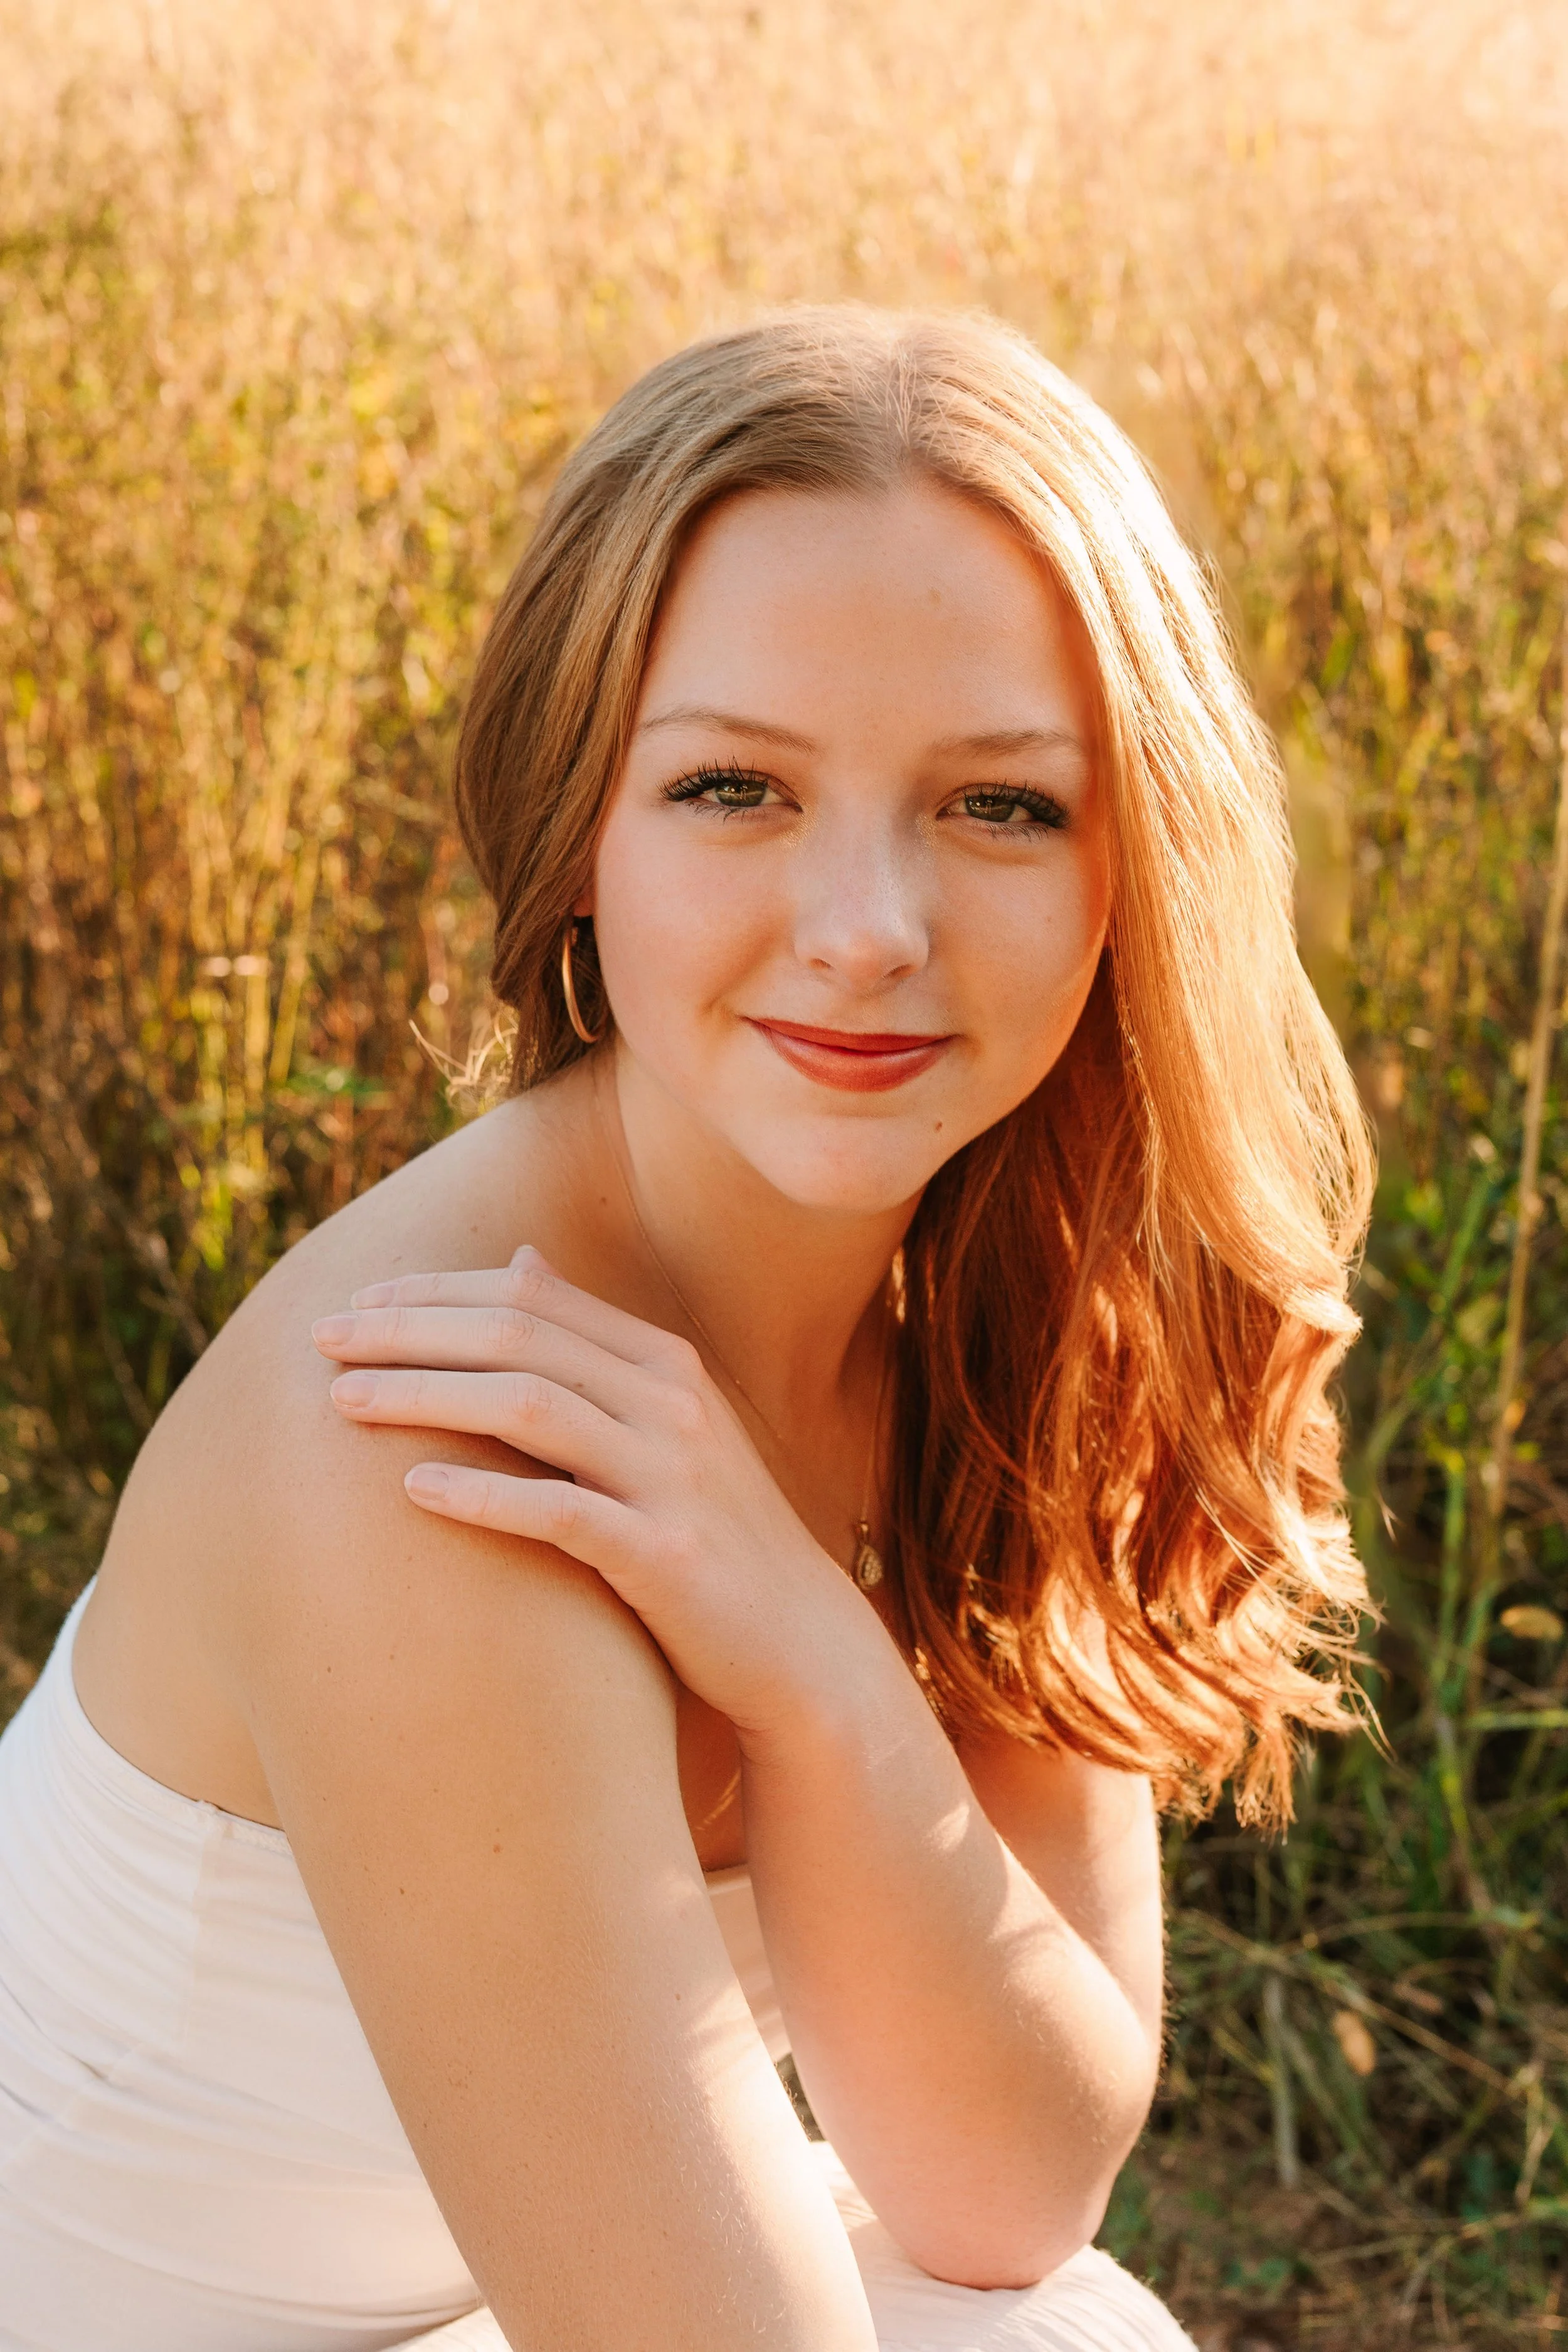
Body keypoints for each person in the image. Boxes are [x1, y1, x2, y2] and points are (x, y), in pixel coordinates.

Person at [0, 305, 1372, 2352]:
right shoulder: (429, 1436)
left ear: (1131, 869)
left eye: (999, 804)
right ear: (574, 841)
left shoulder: (988, 1314)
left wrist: (807, 1650)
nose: (866, 927)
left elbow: (1009, 2189)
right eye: (734, 785)